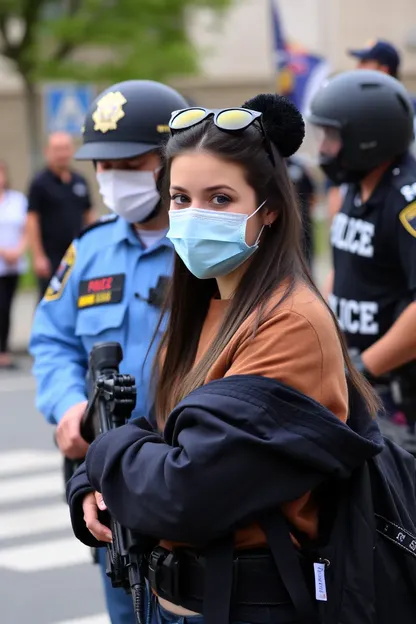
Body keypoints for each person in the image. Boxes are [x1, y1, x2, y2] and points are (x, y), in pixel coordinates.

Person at [65, 97, 416, 623]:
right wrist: (88, 486)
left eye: (221, 198)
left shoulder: (290, 322)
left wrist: (101, 457)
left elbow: (187, 491)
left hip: (251, 605)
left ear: (268, 209)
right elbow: (158, 426)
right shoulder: (204, 305)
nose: (193, 216)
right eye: (180, 198)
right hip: (176, 602)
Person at [29, 80, 189, 624]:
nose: (111, 179)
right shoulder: (89, 250)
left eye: (129, 163)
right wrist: (67, 405)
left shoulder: (209, 249)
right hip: (104, 480)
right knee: (125, 609)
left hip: (187, 475)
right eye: (102, 166)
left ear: (171, 162)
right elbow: (50, 339)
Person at [309, 69, 416, 452]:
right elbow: (344, 267)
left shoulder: (407, 200)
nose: (324, 148)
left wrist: (362, 367)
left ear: (369, 138)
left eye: (332, 137)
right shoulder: (354, 186)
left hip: (397, 392)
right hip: (358, 377)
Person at [26, 132, 96, 299]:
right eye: (57, 149)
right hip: (51, 257)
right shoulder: (39, 183)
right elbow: (31, 220)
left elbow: (89, 215)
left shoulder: (80, 181)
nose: (62, 154)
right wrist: (38, 256)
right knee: (51, 300)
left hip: (77, 253)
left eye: (65, 149)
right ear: (47, 151)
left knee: (79, 298)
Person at [0, 160, 27, 369]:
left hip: (14, 264)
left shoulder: (17, 200)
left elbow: (27, 227)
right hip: (2, 259)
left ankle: (4, 351)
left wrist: (18, 250)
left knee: (7, 308)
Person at [287, 155, 316, 268]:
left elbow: (313, 195)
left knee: (305, 260)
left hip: (303, 224)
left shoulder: (299, 167)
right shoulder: (269, 166)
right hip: (284, 223)